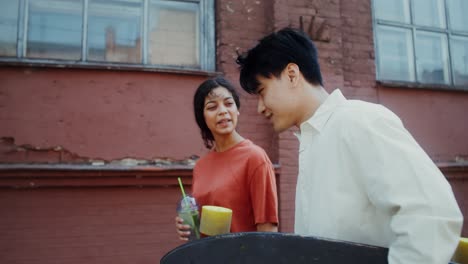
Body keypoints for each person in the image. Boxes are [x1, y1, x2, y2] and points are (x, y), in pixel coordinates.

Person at [236, 27, 463, 263]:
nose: (261, 107)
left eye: (262, 92)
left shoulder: (359, 121)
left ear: (292, 75)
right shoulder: (313, 141)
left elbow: (431, 216)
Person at [175, 77, 279, 241]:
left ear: (237, 110)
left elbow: (267, 230)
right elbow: (200, 227)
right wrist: (187, 226)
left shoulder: (255, 158)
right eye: (212, 107)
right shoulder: (201, 166)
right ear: (203, 117)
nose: (222, 111)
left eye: (228, 104)